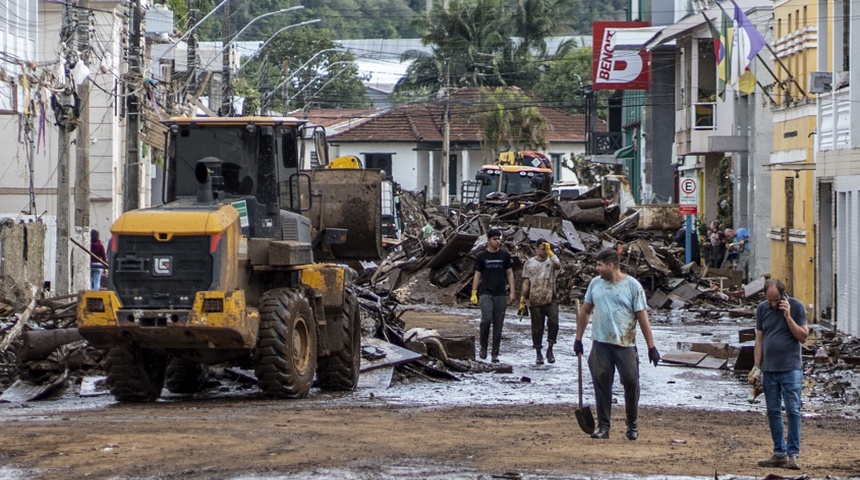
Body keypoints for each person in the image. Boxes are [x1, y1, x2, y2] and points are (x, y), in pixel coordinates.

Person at [574, 248, 660, 441]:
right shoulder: (595, 285)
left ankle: (632, 424)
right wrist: (578, 339)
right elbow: (586, 311)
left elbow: (642, 318)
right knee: (601, 383)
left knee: (631, 382)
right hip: (600, 344)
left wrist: (651, 347)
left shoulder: (632, 286)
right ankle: (603, 426)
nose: (597, 269)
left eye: (600, 265)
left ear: (611, 265)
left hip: (625, 344)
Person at [752, 279, 808, 470]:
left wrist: (788, 316)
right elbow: (759, 340)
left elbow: (803, 336)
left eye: (776, 300)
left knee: (793, 411)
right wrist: (756, 367)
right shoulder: (762, 309)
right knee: (773, 412)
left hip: (791, 368)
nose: (773, 304)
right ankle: (779, 453)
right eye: (769, 300)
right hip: (769, 369)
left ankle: (793, 454)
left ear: (783, 296)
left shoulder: (797, 307)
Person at [471, 228, 516, 363]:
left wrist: (512, 292)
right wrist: (474, 292)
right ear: (488, 240)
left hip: (500, 294)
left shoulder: (505, 256)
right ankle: (483, 347)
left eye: (499, 239)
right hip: (486, 293)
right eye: (494, 239)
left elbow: (509, 273)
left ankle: (495, 353)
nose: (497, 241)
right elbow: (477, 274)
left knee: (498, 324)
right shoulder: (482, 256)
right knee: (486, 320)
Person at [520, 240, 561, 365]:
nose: (544, 251)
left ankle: (550, 348)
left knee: (554, 322)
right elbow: (526, 281)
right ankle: (538, 352)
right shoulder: (529, 263)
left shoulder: (551, 261)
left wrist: (550, 252)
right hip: (535, 298)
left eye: (546, 248)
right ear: (536, 248)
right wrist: (523, 299)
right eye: (542, 248)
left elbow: (558, 265)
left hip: (551, 296)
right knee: (537, 327)